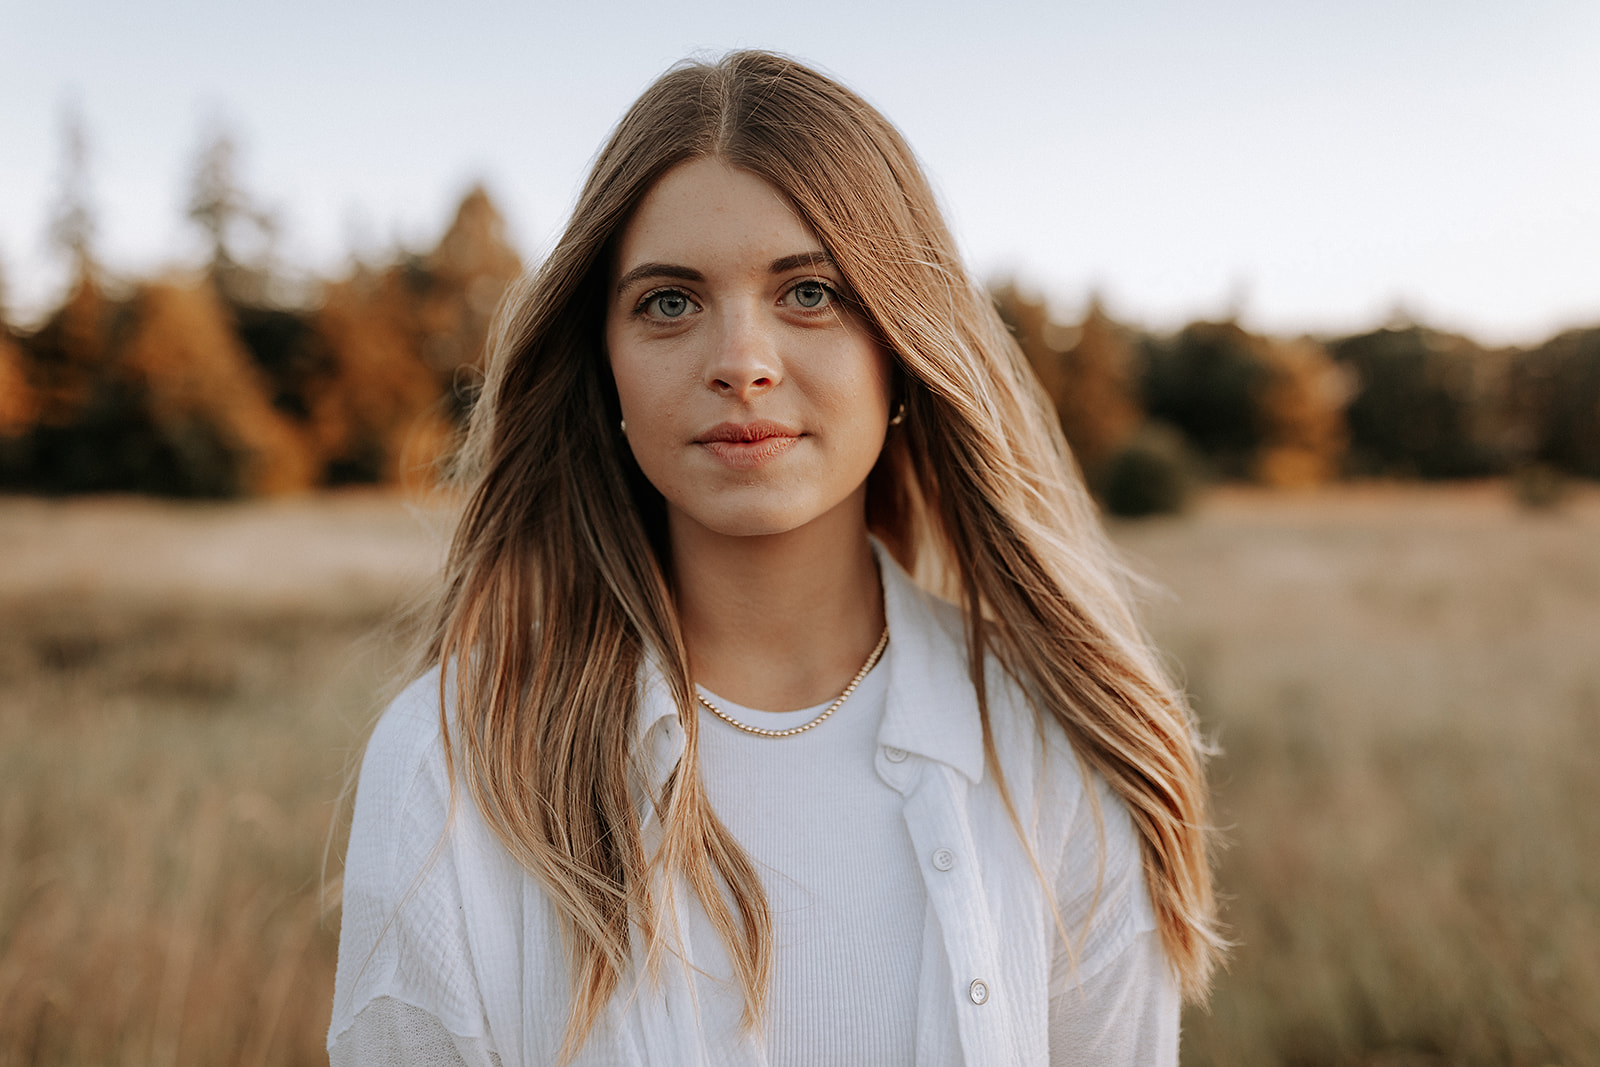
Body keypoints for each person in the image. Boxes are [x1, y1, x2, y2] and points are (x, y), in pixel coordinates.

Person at [329, 50, 1223, 1067]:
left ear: (901, 344)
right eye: (669, 301)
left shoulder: (1057, 745)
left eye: (808, 292)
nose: (741, 361)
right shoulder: (452, 766)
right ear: (603, 365)